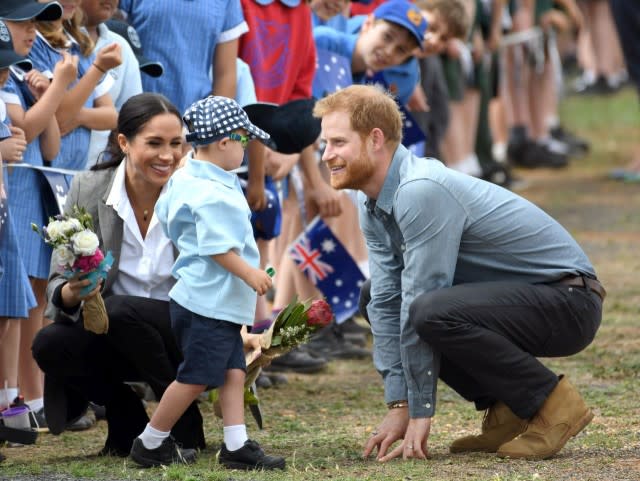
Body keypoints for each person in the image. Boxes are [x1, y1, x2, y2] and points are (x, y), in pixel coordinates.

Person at [313, 84, 605, 462]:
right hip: (531, 297)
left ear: (375, 139)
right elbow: (386, 301)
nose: (326, 155)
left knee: (428, 311)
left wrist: (421, 413)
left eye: (337, 142)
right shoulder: (371, 203)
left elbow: (420, 300)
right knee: (376, 296)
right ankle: (507, 409)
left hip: (569, 301)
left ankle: (552, 405)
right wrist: (399, 403)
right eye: (324, 143)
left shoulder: (420, 190)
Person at [32, 93, 206, 456]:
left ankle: (182, 418)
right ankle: (127, 420)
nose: (168, 155)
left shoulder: (197, 192)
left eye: (177, 143)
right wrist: (70, 293)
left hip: (179, 334)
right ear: (123, 142)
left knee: (124, 309)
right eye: (154, 143)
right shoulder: (88, 188)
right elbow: (56, 283)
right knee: (48, 343)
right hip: (113, 332)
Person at [129, 96, 285, 470]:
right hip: (208, 301)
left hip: (200, 297)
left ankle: (236, 443)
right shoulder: (213, 194)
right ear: (224, 143)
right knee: (195, 378)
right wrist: (251, 273)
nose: (247, 150)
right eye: (244, 141)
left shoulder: (188, 175)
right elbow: (219, 247)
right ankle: (150, 442)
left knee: (233, 370)